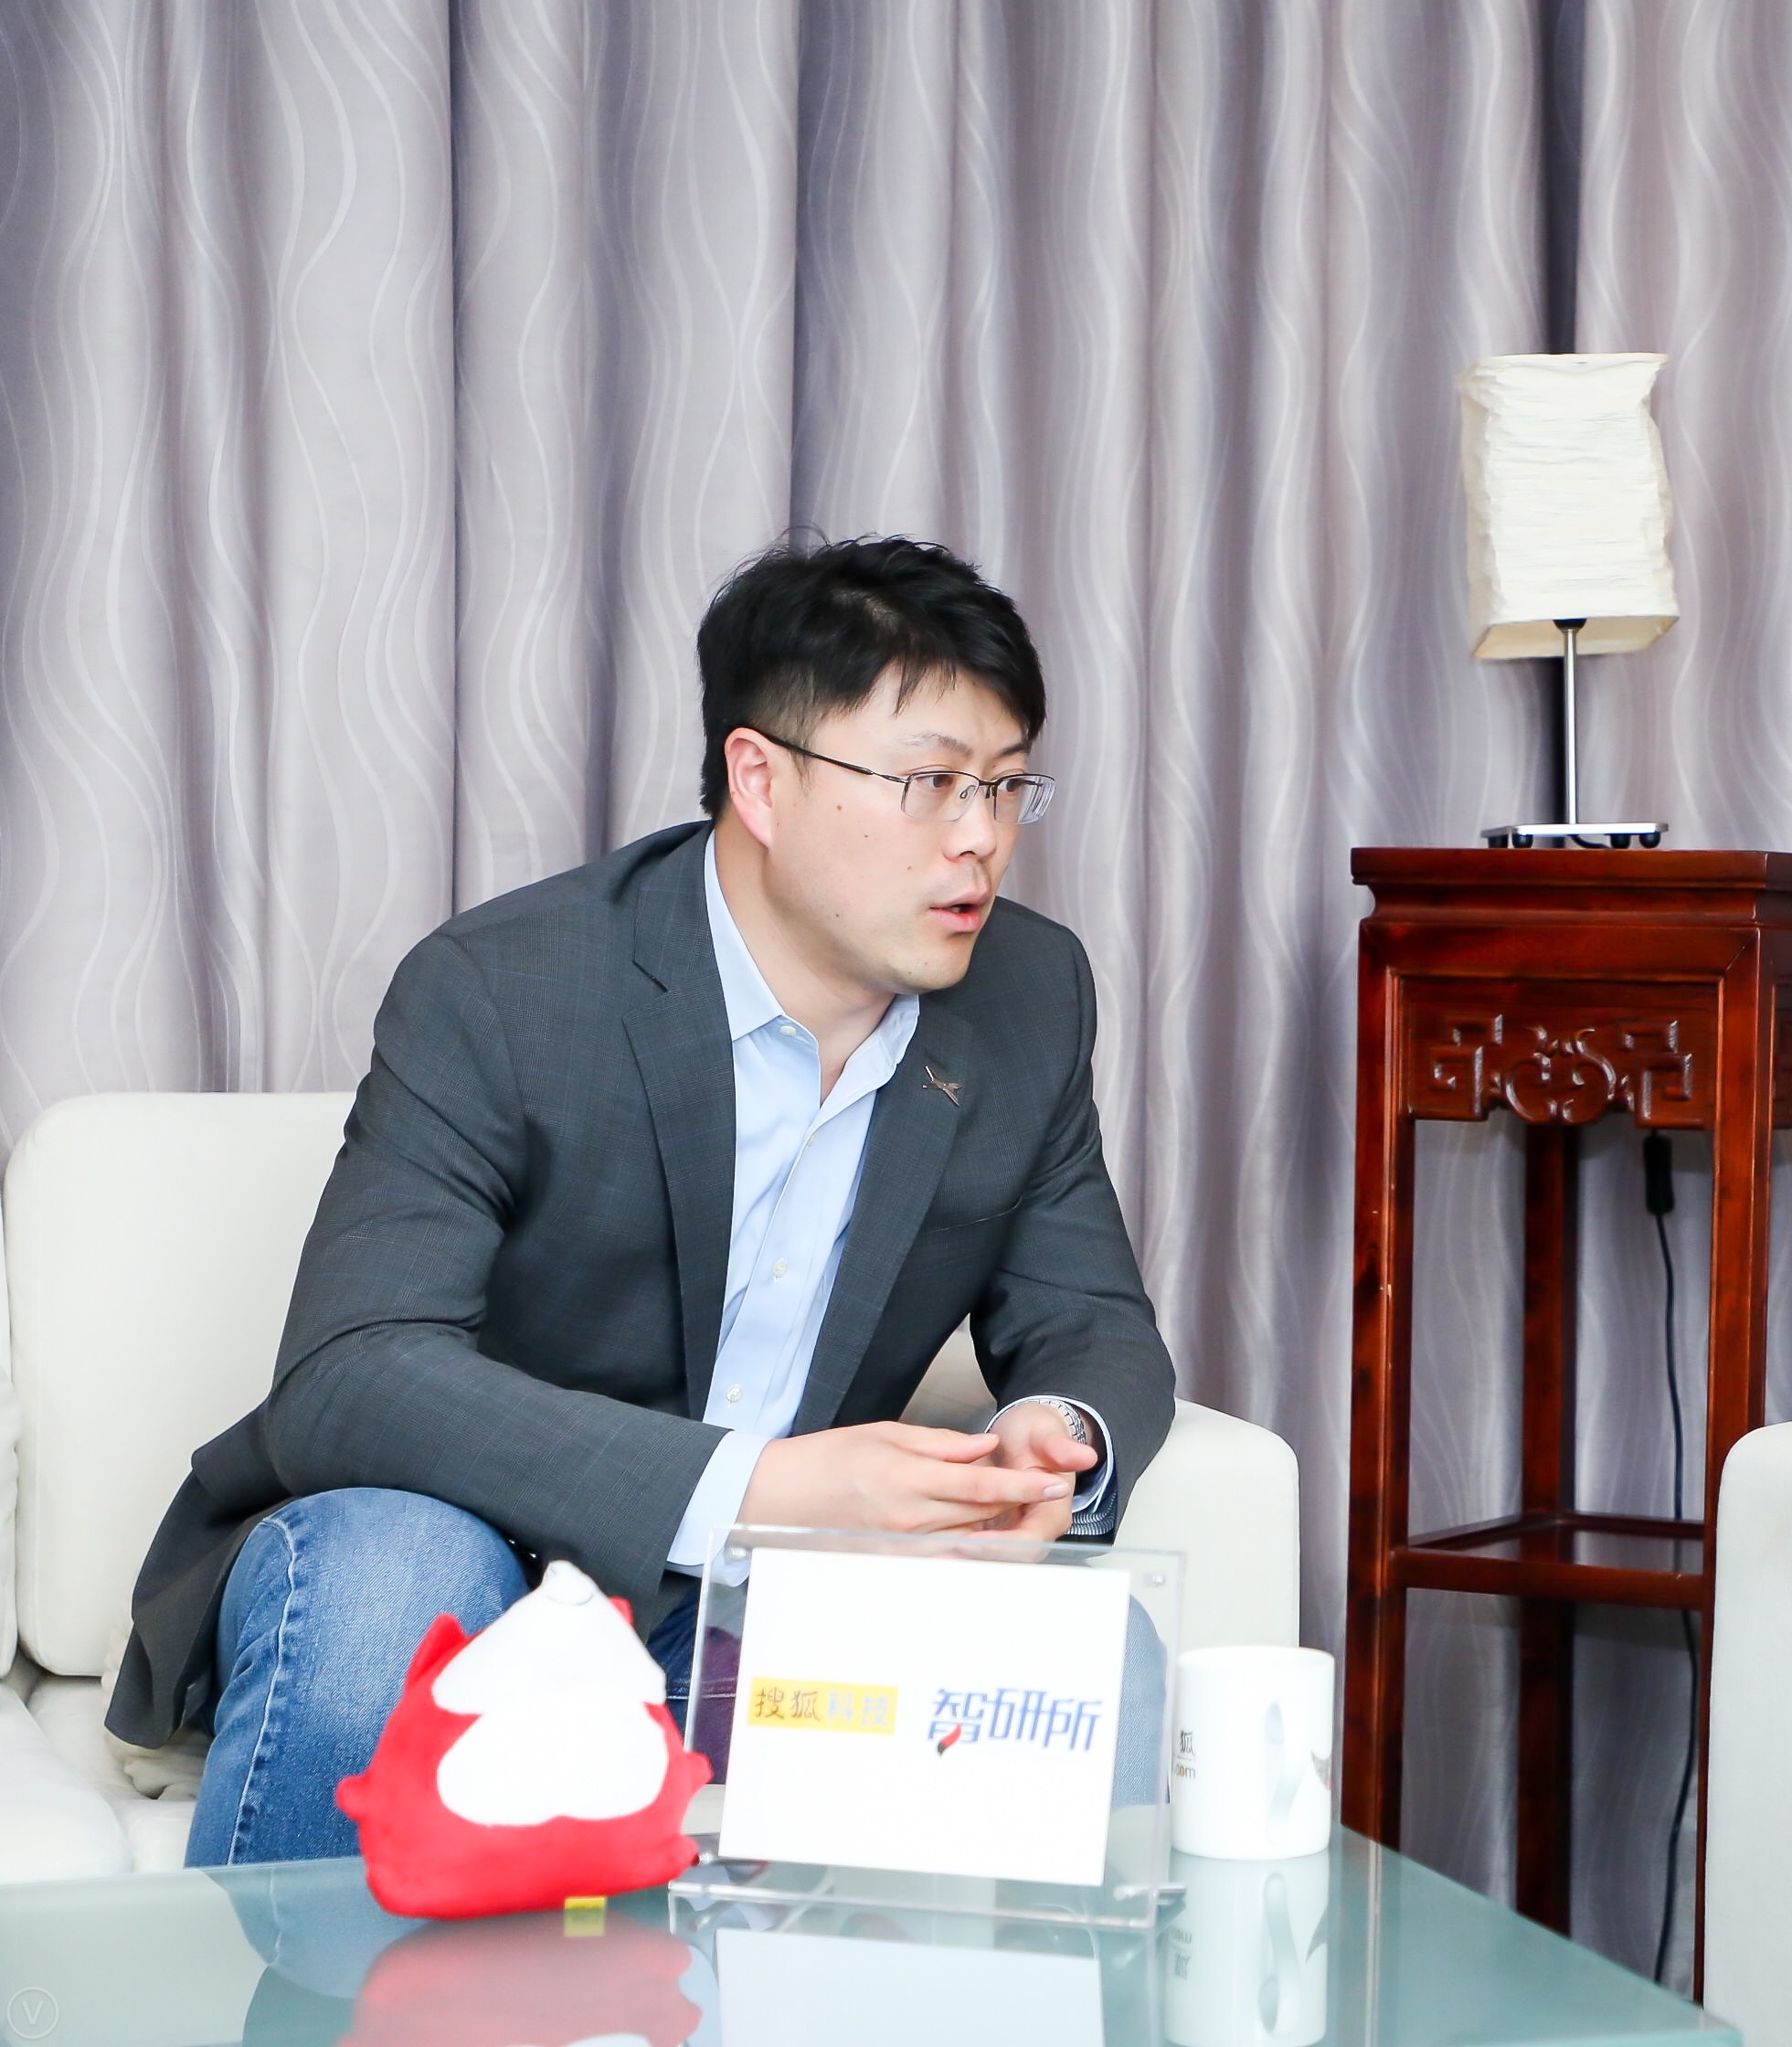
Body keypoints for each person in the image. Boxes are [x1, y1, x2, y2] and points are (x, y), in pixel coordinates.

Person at [107, 535, 1178, 1868]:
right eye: (930, 783)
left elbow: (1093, 1321)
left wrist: (1049, 1438)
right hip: (466, 1562)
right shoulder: (506, 986)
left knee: (1104, 1652)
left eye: (1008, 785)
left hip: (758, 1614)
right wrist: (757, 1485)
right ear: (761, 779)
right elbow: (351, 1372)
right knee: (395, 1574)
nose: (981, 837)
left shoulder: (1027, 994)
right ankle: (288, 1982)